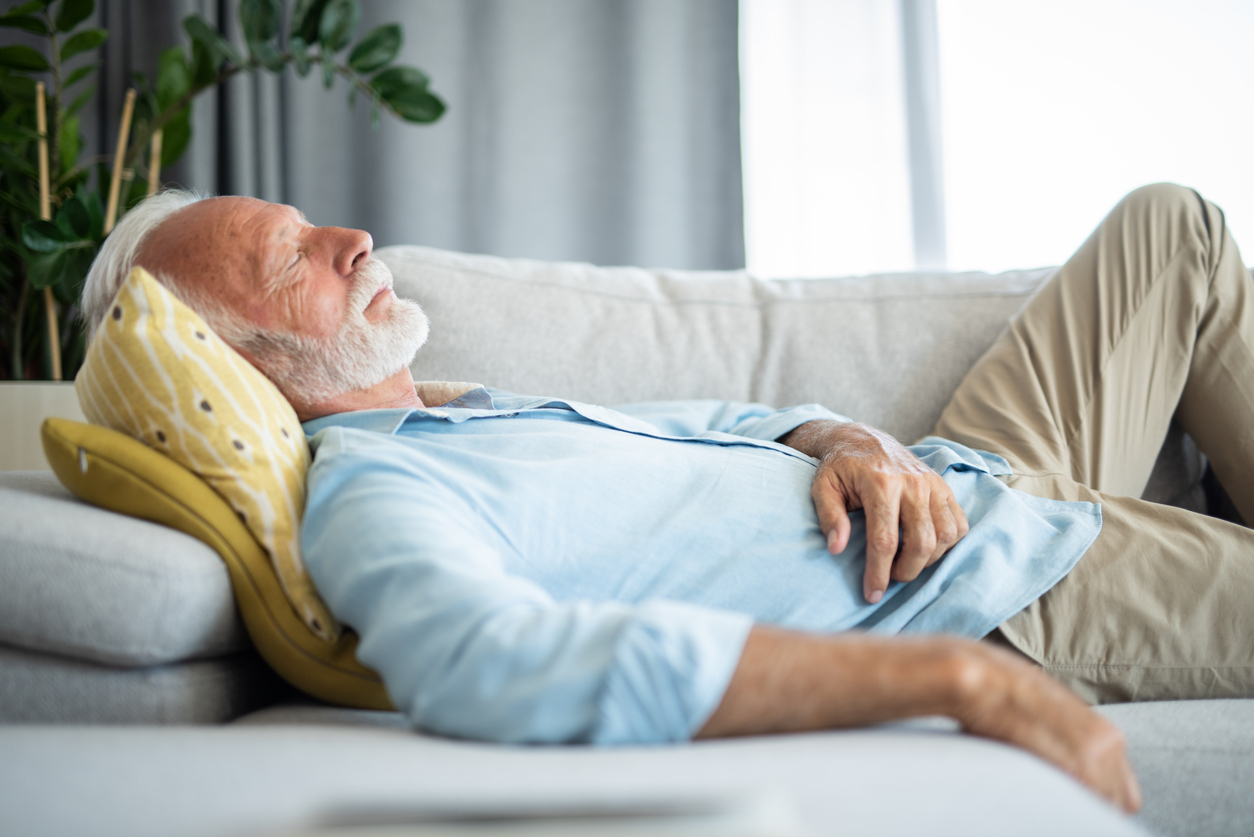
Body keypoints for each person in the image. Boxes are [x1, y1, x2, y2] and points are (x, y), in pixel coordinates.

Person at [79, 183, 1254, 815]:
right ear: (245, 368)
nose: (355, 237)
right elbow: (485, 662)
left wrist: (849, 438)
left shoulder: (465, 410)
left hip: (952, 469)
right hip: (998, 580)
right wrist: (956, 676)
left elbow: (729, 425)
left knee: (1174, 230)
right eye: (298, 258)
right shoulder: (376, 489)